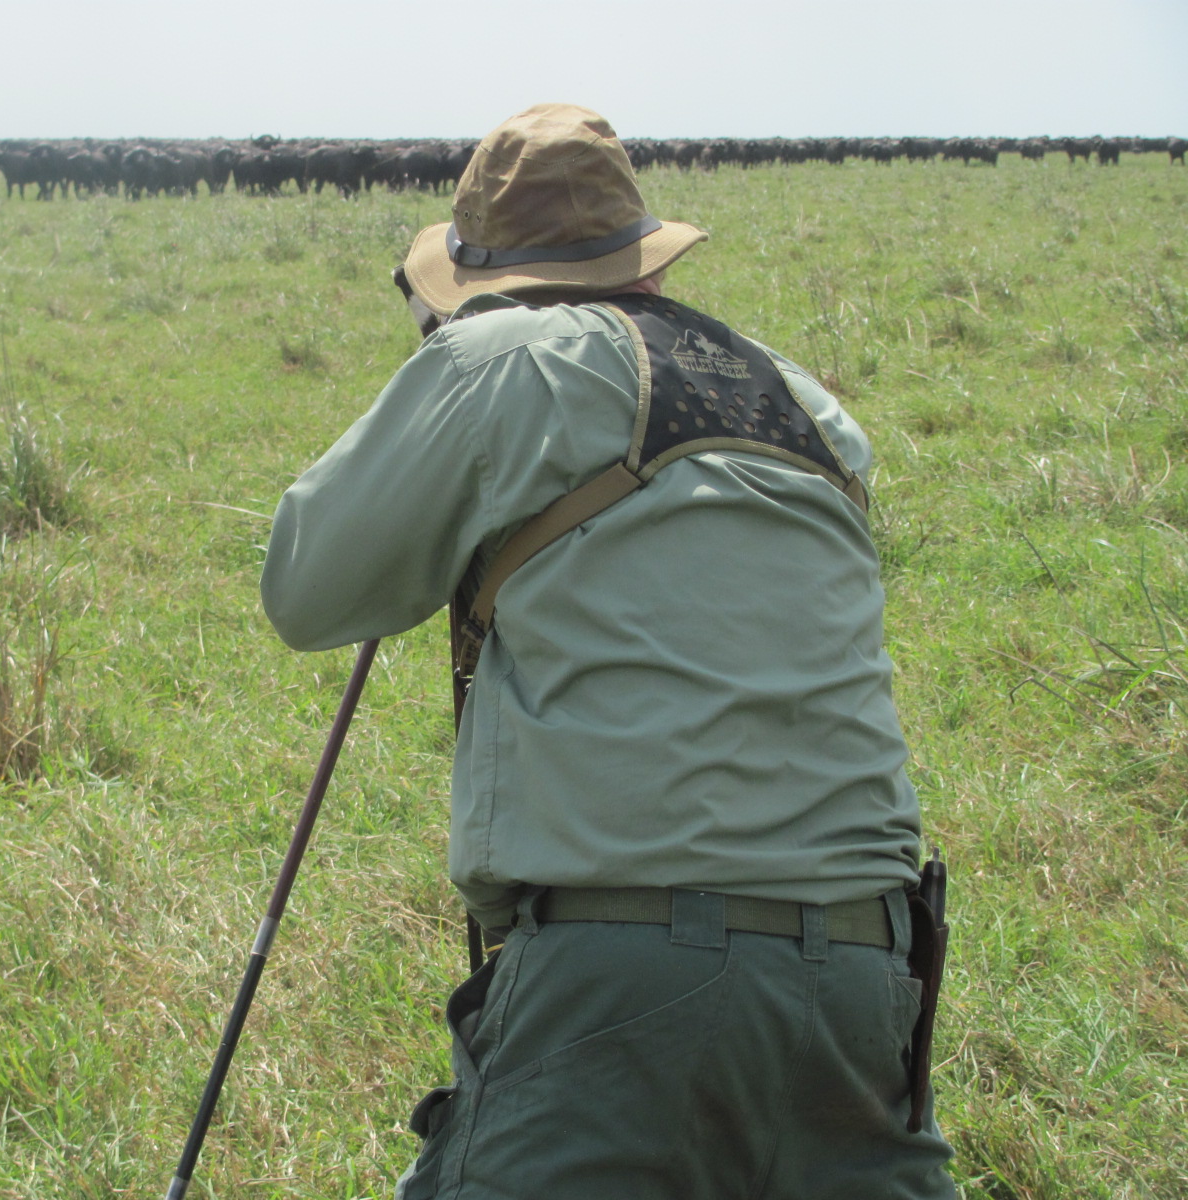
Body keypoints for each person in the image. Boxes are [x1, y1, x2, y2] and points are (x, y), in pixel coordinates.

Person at [260, 103, 955, 1200]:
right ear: (642, 260)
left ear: (482, 278)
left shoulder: (495, 357)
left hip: (626, 969)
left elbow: (306, 589)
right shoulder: (803, 397)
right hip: (870, 969)